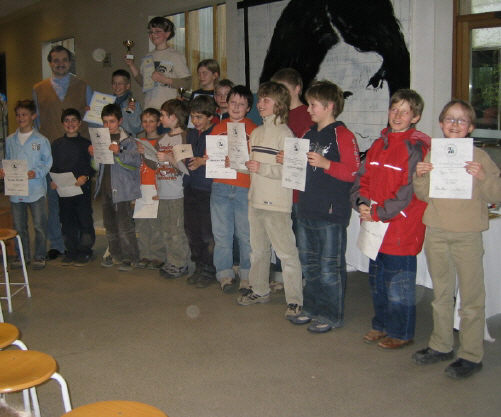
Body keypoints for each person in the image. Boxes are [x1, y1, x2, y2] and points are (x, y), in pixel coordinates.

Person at [412, 100, 501, 378]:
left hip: (467, 235)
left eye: (462, 120)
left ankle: (471, 354)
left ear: (471, 127)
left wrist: (482, 177)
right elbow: (423, 194)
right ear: (441, 123)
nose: (455, 124)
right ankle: (441, 345)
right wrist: (419, 176)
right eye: (450, 119)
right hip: (437, 231)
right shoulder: (434, 153)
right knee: (441, 294)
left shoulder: (480, 157)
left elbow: (496, 195)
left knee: (471, 297)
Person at [351, 89, 430, 349]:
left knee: (399, 284)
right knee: (378, 281)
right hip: (376, 227)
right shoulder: (378, 144)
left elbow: (407, 193)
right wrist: (361, 203)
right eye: (394, 109)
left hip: (401, 229)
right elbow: (363, 178)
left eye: (404, 112)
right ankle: (381, 324)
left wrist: (377, 212)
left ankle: (401, 332)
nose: (397, 116)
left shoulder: (416, 148)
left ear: (415, 117)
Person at [289, 80, 360, 333]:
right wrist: (288, 160)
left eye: (313, 105)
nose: (308, 109)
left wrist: (327, 164)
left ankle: (331, 315)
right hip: (306, 207)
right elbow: (300, 169)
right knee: (309, 264)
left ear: (329, 106)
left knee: (329, 267)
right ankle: (312, 308)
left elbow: (353, 172)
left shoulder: (343, 135)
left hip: (331, 212)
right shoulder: (307, 134)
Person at [237, 81, 303, 319]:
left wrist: (262, 168)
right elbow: (250, 167)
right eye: (261, 99)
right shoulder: (256, 133)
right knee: (258, 251)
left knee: (286, 254)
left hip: (277, 205)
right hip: (255, 201)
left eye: (266, 100)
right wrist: (236, 164)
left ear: (279, 105)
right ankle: (259, 290)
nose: (260, 104)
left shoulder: (286, 134)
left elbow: (291, 172)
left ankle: (295, 301)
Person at [33, 45, 92, 260]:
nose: (60, 64)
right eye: (56, 60)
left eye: (64, 60)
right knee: (54, 200)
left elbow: (92, 118)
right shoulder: (38, 89)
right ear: (50, 63)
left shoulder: (83, 86)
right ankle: (57, 244)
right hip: (52, 155)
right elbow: (36, 122)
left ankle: (79, 244)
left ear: (70, 62)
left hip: (77, 153)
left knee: (78, 202)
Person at [209, 85, 256, 293]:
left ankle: (247, 274)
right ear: (226, 104)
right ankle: (224, 273)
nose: (236, 107)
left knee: (246, 234)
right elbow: (210, 157)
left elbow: (257, 160)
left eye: (241, 104)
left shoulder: (254, 130)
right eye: (233, 102)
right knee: (221, 234)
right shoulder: (217, 128)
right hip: (220, 185)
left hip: (244, 187)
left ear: (248, 108)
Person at [0, 100, 52, 270]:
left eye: (24, 114)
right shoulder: (10, 140)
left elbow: (47, 162)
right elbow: (7, 159)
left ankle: (39, 255)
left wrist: (35, 172)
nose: (20, 118)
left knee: (39, 225)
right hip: (16, 190)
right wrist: (3, 170)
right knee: (19, 226)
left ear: (33, 116)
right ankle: (22, 256)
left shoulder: (41, 140)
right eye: (18, 115)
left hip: (35, 189)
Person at [92, 104, 141, 271]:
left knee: (124, 225)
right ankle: (116, 254)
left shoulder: (129, 140)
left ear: (120, 121)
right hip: (106, 188)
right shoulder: (100, 138)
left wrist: (119, 151)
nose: (108, 125)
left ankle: (131, 257)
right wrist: (93, 154)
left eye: (112, 121)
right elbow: (96, 166)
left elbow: (136, 161)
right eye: (105, 122)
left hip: (122, 190)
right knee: (110, 225)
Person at [50, 108, 95, 266]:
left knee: (84, 220)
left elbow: (93, 166)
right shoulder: (56, 144)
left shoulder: (87, 144)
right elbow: (53, 166)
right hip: (63, 191)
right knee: (67, 221)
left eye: (74, 120)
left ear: (80, 123)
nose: (70, 124)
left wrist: (86, 176)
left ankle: (85, 251)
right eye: (67, 121)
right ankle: (71, 251)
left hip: (82, 189)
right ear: (62, 124)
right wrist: (53, 180)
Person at [156, 99, 192, 279]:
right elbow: (155, 163)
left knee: (177, 231)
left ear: (174, 117)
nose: (160, 118)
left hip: (178, 193)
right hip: (163, 192)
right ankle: (171, 259)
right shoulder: (162, 139)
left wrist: (169, 158)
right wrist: (145, 153)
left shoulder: (184, 137)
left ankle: (180, 263)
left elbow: (185, 168)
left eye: (163, 115)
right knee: (166, 229)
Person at [184, 95, 217, 286]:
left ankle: (209, 269)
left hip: (206, 189)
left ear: (210, 116)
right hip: (189, 186)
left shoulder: (216, 133)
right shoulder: (191, 134)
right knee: (192, 230)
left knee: (207, 233)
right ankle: (198, 265)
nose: (195, 121)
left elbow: (222, 161)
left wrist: (202, 161)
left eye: (199, 117)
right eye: (192, 117)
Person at [126, 16, 191, 110]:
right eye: (151, 32)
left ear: (167, 34)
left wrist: (164, 79)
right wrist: (131, 65)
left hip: (168, 110)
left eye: (157, 31)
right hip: (149, 108)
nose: (153, 34)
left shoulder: (176, 56)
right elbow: (144, 83)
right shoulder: (148, 56)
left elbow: (187, 83)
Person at [135, 108, 164, 270]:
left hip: (155, 187)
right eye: (145, 121)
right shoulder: (138, 141)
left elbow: (162, 165)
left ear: (159, 123)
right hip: (140, 187)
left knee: (156, 224)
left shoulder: (162, 142)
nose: (148, 124)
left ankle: (157, 255)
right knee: (142, 223)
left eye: (152, 121)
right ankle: (144, 254)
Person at [271, 67, 312, 138]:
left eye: (283, 90)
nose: (279, 94)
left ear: (297, 89)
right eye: (276, 91)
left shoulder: (309, 114)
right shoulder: (277, 113)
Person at [111, 69, 143, 136]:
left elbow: (136, 129)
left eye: (120, 83)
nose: (116, 86)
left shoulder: (133, 103)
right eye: (114, 83)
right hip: (109, 139)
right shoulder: (107, 102)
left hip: (127, 140)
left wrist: (131, 113)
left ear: (128, 86)